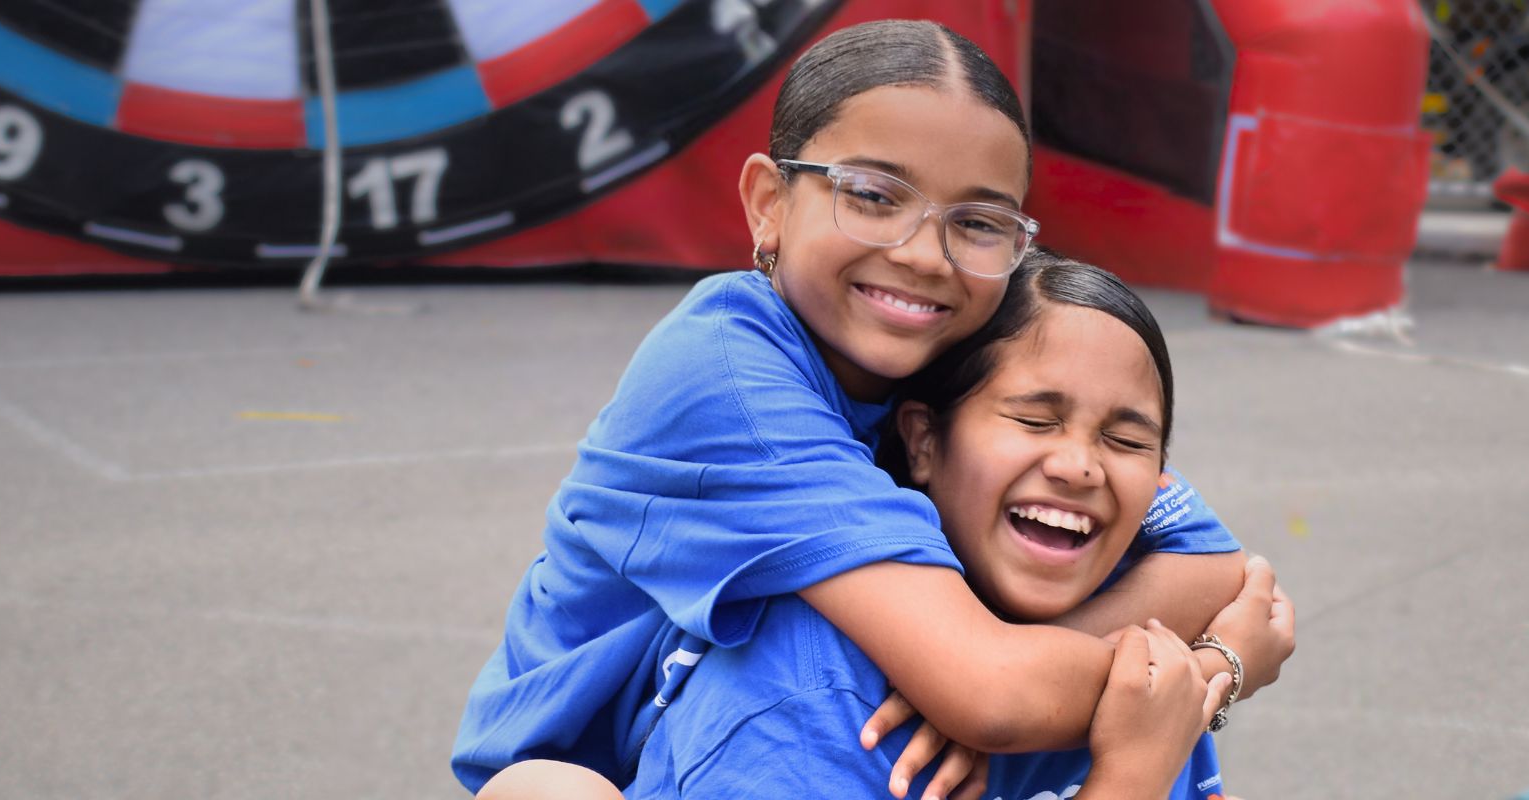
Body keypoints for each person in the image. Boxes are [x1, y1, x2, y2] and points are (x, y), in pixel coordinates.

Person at [453, 20, 1292, 794]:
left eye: (978, 221)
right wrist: (1211, 666)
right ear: (769, 204)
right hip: (587, 763)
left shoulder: (966, 336)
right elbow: (993, 690)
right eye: (874, 197)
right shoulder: (723, 368)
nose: (926, 254)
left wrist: (1032, 676)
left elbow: (1214, 562)